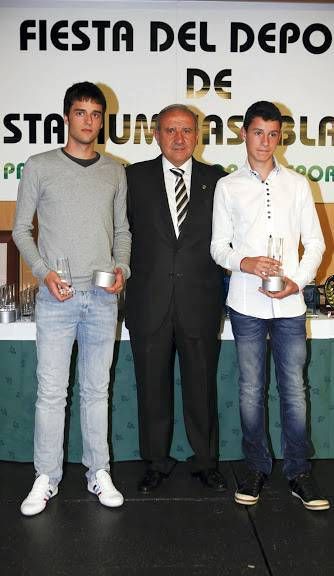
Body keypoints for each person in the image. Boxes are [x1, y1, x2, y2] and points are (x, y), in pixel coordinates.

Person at [13, 81, 131, 516]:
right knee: (51, 392)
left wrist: (123, 269)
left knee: (97, 390)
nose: (90, 121)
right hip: (56, 298)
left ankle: (98, 471)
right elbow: (22, 230)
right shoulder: (39, 165)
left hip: (102, 299)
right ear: (67, 116)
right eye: (81, 113)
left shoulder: (115, 170)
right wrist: (43, 275)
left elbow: (122, 232)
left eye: (96, 114)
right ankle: (46, 476)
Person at [211, 100, 330, 511]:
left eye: (273, 134)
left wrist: (296, 281)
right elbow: (217, 247)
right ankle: (256, 467)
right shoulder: (228, 187)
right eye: (258, 132)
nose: (265, 141)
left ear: (281, 137)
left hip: (291, 305)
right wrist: (245, 262)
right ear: (243, 133)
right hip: (245, 302)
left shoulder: (298, 185)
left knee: (294, 390)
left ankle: (298, 472)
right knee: (250, 391)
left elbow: (315, 243)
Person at [125, 104, 227, 493]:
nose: (179, 138)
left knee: (201, 385)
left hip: (199, 302)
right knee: (151, 386)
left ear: (197, 135)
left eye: (186, 130)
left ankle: (206, 461)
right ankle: (155, 462)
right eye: (170, 130)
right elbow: (119, 234)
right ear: (156, 134)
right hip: (148, 301)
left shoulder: (217, 180)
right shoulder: (133, 178)